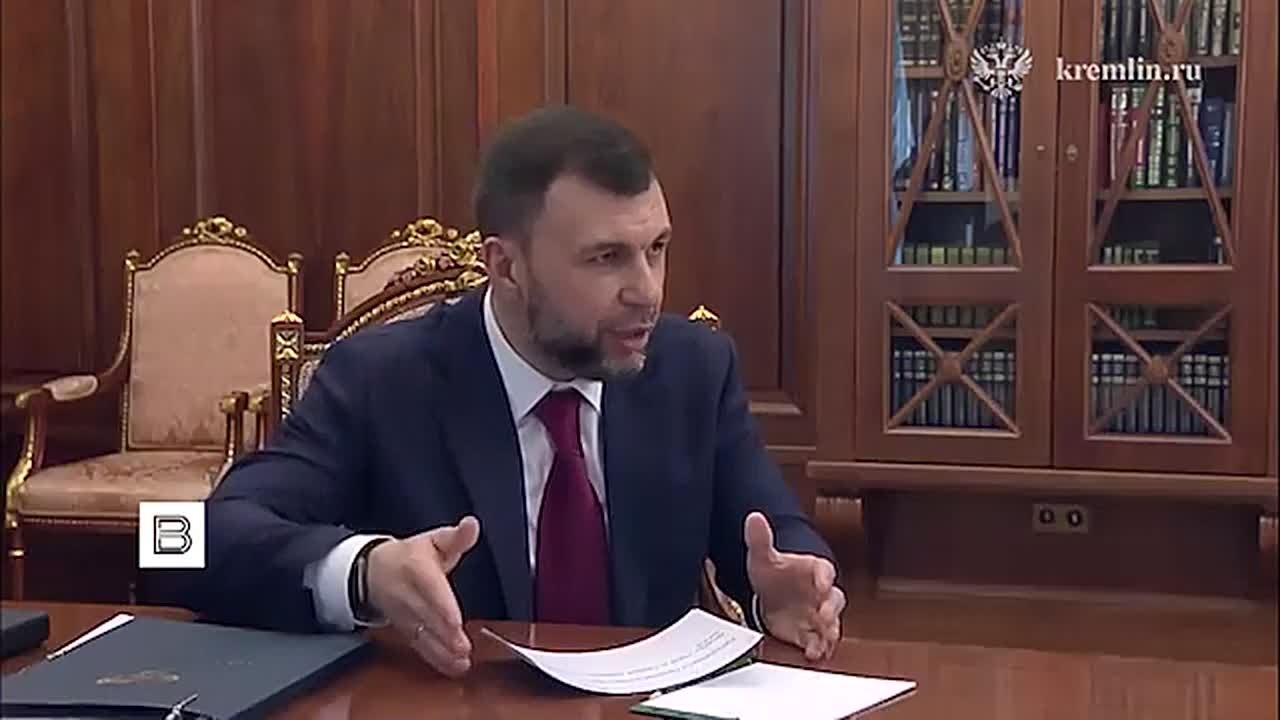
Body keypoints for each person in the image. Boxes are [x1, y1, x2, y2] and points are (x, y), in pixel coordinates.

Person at [172, 105, 844, 679]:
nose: (647, 290)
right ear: (505, 265)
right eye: (606, 257)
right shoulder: (381, 378)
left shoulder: (695, 369)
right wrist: (363, 571)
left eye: (658, 248)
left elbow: (771, 536)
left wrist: (787, 589)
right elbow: (177, 542)